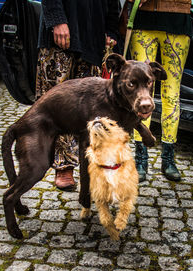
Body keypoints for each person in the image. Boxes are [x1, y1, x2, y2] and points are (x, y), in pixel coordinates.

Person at [36, 0, 119, 190]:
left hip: (94, 35)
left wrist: (112, 29)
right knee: (58, 104)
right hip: (61, 30)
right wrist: (56, 19)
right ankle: (63, 166)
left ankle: (89, 166)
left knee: (90, 108)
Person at [127, 0, 193, 182]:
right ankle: (140, 158)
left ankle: (168, 158)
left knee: (172, 94)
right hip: (143, 21)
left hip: (178, 21)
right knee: (140, 93)